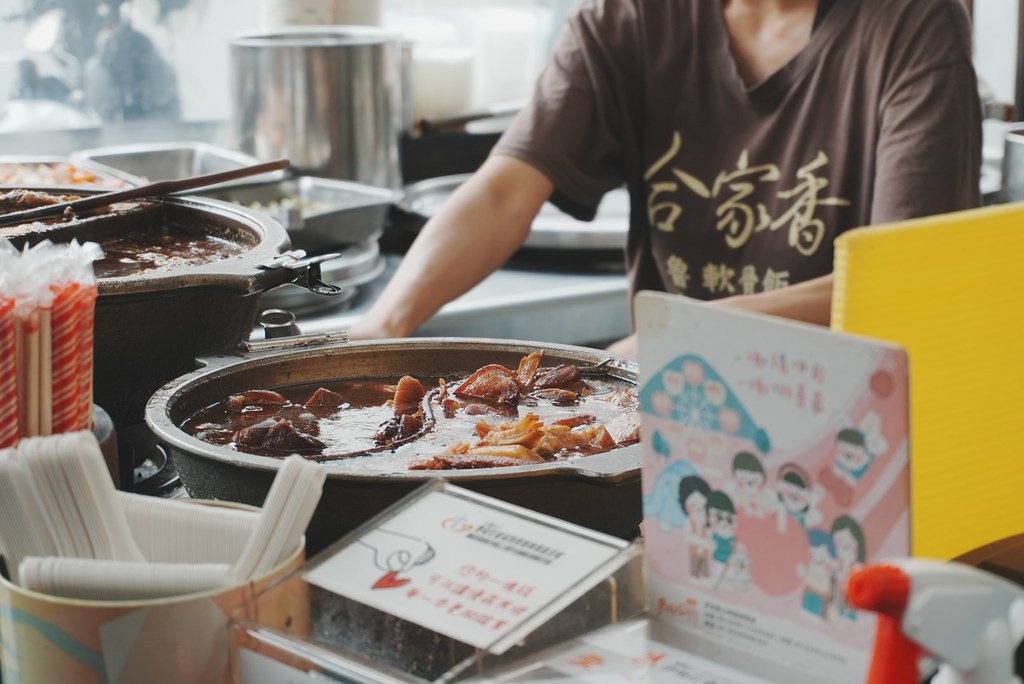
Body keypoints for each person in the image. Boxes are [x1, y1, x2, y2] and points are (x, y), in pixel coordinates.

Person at [350, 0, 980, 356]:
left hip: (841, 429)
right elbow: (503, 192)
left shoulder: (914, 26)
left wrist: (682, 338)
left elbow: (902, 285)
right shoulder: (626, 20)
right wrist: (383, 326)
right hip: (672, 421)